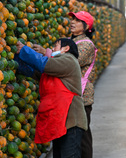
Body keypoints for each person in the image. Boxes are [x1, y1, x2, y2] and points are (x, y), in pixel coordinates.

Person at [33, 11, 97, 158]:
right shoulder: (68, 41)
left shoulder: (86, 45)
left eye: (78, 20)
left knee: (82, 137)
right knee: (65, 134)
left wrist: (46, 52)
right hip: (64, 95)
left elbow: (69, 61)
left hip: (80, 96)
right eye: (72, 19)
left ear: (86, 27)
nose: (73, 22)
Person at [15, 38, 87, 158]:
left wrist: (24, 50)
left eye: (56, 46)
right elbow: (33, 71)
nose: (52, 49)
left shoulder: (69, 60)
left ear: (66, 48)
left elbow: (43, 64)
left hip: (71, 121)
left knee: (69, 155)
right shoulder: (54, 68)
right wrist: (15, 58)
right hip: (59, 121)